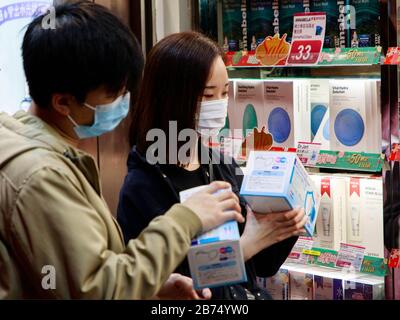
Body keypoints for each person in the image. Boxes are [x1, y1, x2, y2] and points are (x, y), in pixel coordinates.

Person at [0, 2, 244, 299]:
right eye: (113, 95)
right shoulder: (40, 176)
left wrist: (150, 289)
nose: (124, 102)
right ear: (63, 102)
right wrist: (186, 218)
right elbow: (96, 290)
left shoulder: (32, 146)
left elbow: (90, 273)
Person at [117, 31, 307, 300]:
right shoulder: (143, 186)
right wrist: (245, 246)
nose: (219, 105)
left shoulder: (218, 165)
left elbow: (263, 266)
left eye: (225, 93)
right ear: (172, 97)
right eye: (208, 95)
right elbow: (172, 285)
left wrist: (284, 225)